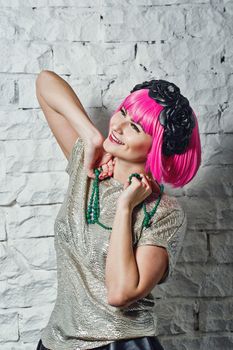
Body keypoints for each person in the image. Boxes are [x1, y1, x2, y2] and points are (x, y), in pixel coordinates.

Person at [35, 72, 201, 350]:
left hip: (120, 344)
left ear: (156, 147)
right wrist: (91, 136)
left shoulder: (164, 213)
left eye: (134, 127)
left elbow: (120, 293)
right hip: (56, 341)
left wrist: (126, 207)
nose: (118, 125)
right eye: (123, 111)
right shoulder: (88, 166)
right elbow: (45, 82)